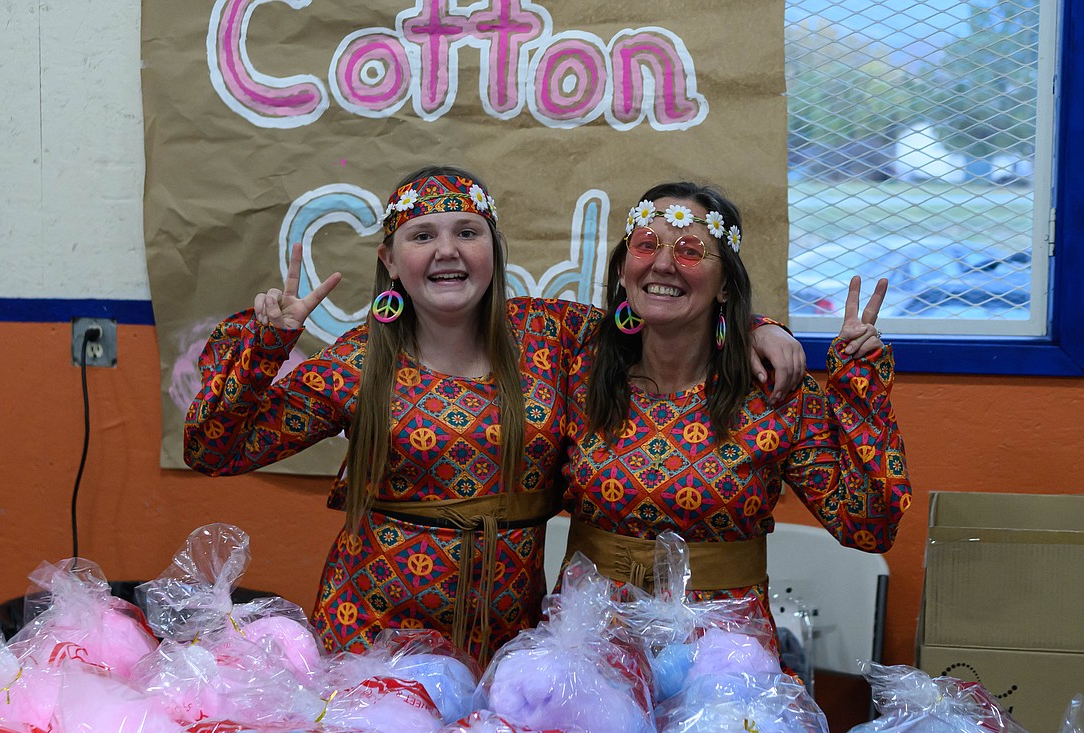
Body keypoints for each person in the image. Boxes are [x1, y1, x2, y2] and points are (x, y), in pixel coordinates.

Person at [184, 165, 806, 663]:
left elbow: (663, 309)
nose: (446, 250)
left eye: (466, 232)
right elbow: (213, 450)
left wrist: (758, 325)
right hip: (373, 632)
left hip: (513, 641)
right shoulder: (362, 360)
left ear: (493, 250)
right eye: (422, 235)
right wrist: (265, 345)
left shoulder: (550, 337)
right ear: (390, 260)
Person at [562, 180, 911, 637]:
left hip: (723, 659)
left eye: (690, 251)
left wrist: (859, 380)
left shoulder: (773, 389)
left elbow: (868, 524)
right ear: (624, 270)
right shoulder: (575, 362)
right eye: (647, 245)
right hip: (586, 648)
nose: (663, 263)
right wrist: (758, 326)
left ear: (725, 283)